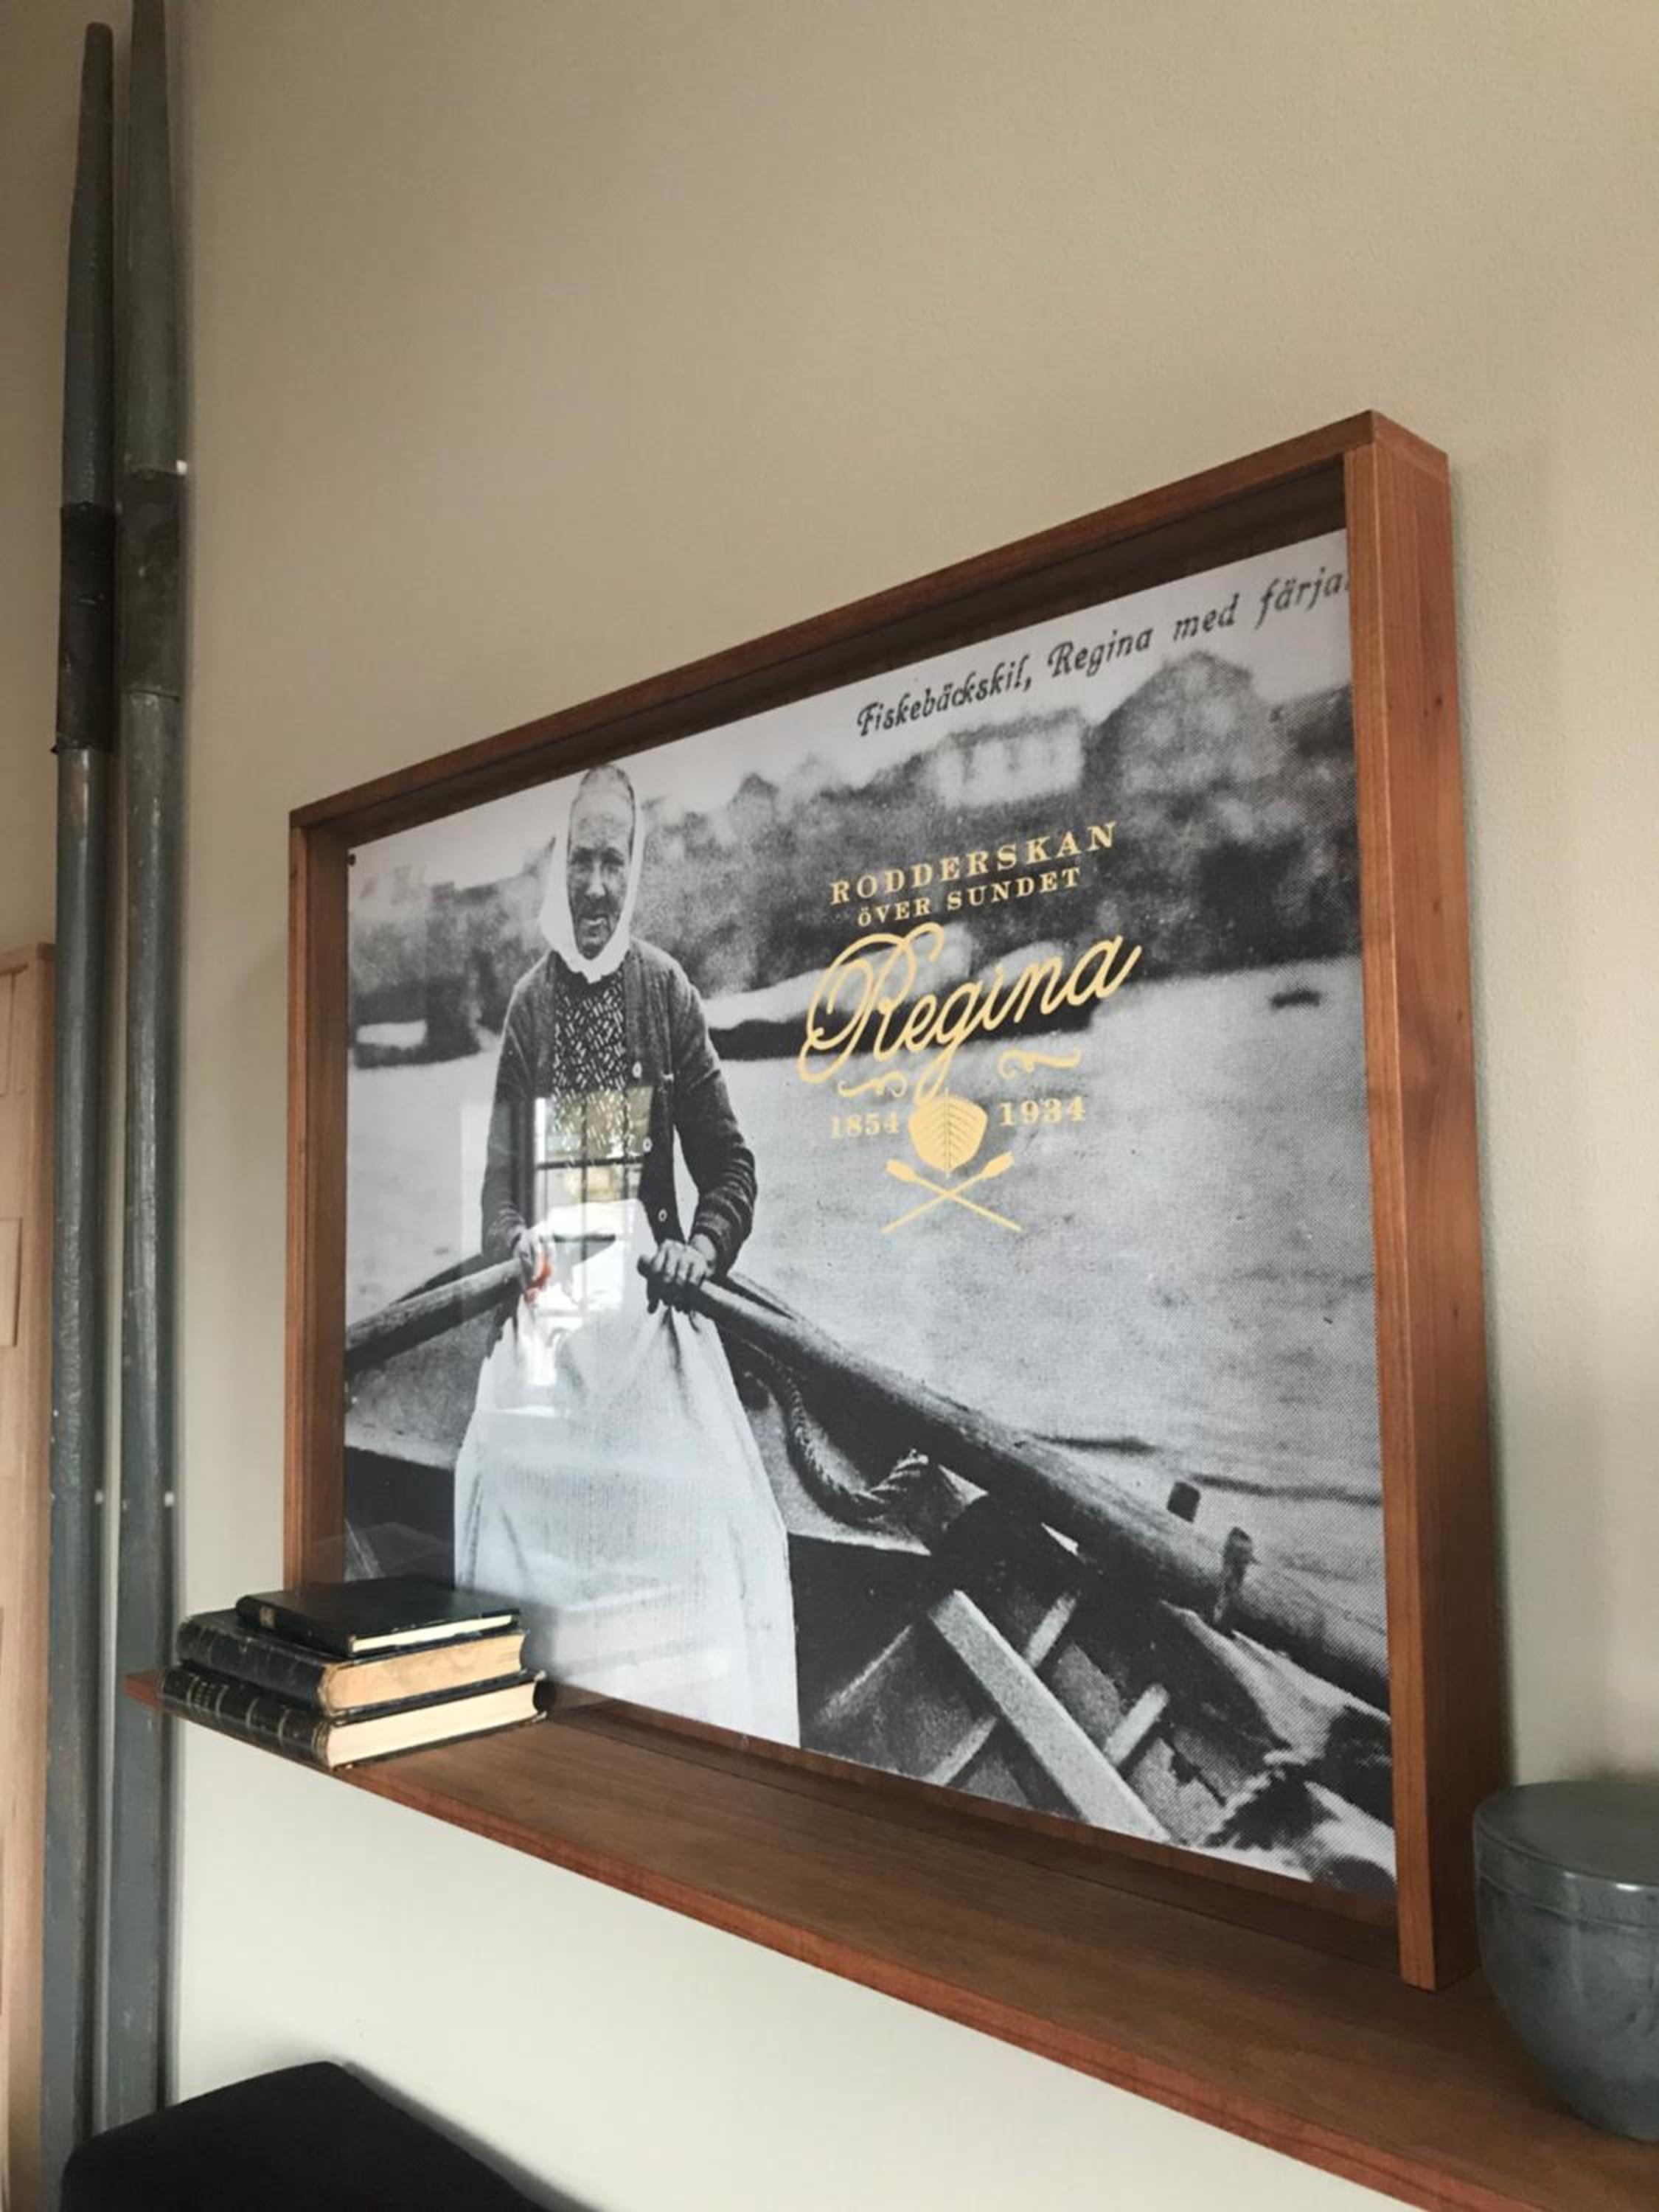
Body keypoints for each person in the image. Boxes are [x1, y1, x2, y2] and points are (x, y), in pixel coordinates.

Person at [453, 762, 799, 1742]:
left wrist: (702, 1248)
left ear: (634, 868)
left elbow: (731, 1168)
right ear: (558, 866)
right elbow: (498, 1184)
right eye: (581, 862)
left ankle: (683, 1732)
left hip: (651, 1315)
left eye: (613, 863)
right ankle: (535, 1726)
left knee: (715, 1511)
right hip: (553, 1316)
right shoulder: (529, 1006)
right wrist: (512, 1240)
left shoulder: (666, 993)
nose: (596, 887)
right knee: (488, 1479)